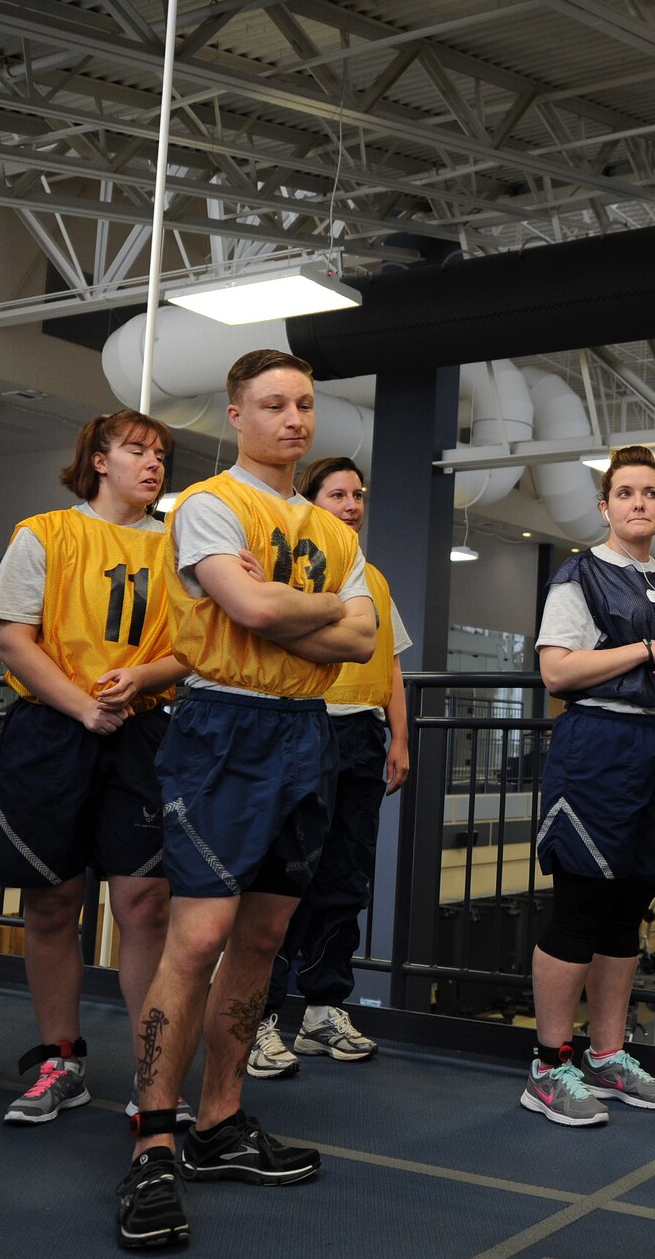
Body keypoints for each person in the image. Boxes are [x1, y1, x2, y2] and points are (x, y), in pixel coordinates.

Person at [114, 349, 375, 1249]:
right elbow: (249, 613)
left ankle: (220, 1121)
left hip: (309, 730)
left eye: (305, 403)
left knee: (265, 937)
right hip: (223, 728)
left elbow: (364, 633)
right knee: (199, 938)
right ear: (237, 415)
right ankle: (152, 1139)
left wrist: (274, 602)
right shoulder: (209, 506)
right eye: (273, 405)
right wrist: (296, 611)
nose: (294, 419)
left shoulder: (336, 529)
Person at [0, 410, 187, 1125]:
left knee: (144, 904)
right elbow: (13, 639)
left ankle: (153, 1075)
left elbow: (198, 644)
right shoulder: (44, 534)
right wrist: (80, 707)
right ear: (98, 460)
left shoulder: (184, 547)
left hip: (142, 730)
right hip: (53, 728)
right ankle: (58, 1059)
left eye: (160, 453)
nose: (153, 463)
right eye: (136, 450)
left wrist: (143, 678)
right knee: (51, 902)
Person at [523, 445, 655, 1128]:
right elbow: (558, 672)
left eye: (650, 493)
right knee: (581, 904)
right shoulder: (579, 575)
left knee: (629, 907)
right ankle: (547, 1064)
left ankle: (606, 1054)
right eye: (625, 492)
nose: (639, 503)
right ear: (605, 506)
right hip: (598, 747)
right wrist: (650, 651)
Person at [248, 457, 411, 1078]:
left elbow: (390, 664)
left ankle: (322, 1010)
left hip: (365, 736)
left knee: (346, 877)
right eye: (337, 494)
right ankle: (259, 1016)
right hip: (306, 725)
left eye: (357, 495)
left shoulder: (372, 579)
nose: (351, 504)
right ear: (310, 503)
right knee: (286, 879)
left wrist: (399, 736)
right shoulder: (296, 571)